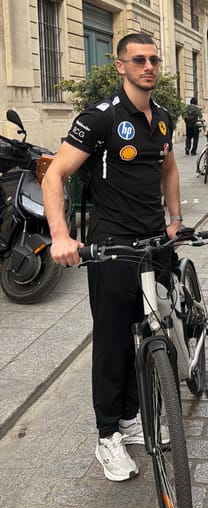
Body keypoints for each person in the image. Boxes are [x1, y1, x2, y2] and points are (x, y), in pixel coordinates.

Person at [42, 33, 183, 483]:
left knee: (148, 328)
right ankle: (108, 436)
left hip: (153, 241)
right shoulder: (100, 118)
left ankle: (130, 417)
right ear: (120, 66)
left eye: (153, 59)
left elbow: (168, 166)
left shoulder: (161, 117)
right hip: (111, 246)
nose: (149, 66)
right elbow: (55, 174)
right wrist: (61, 235)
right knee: (112, 340)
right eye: (138, 60)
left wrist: (175, 218)